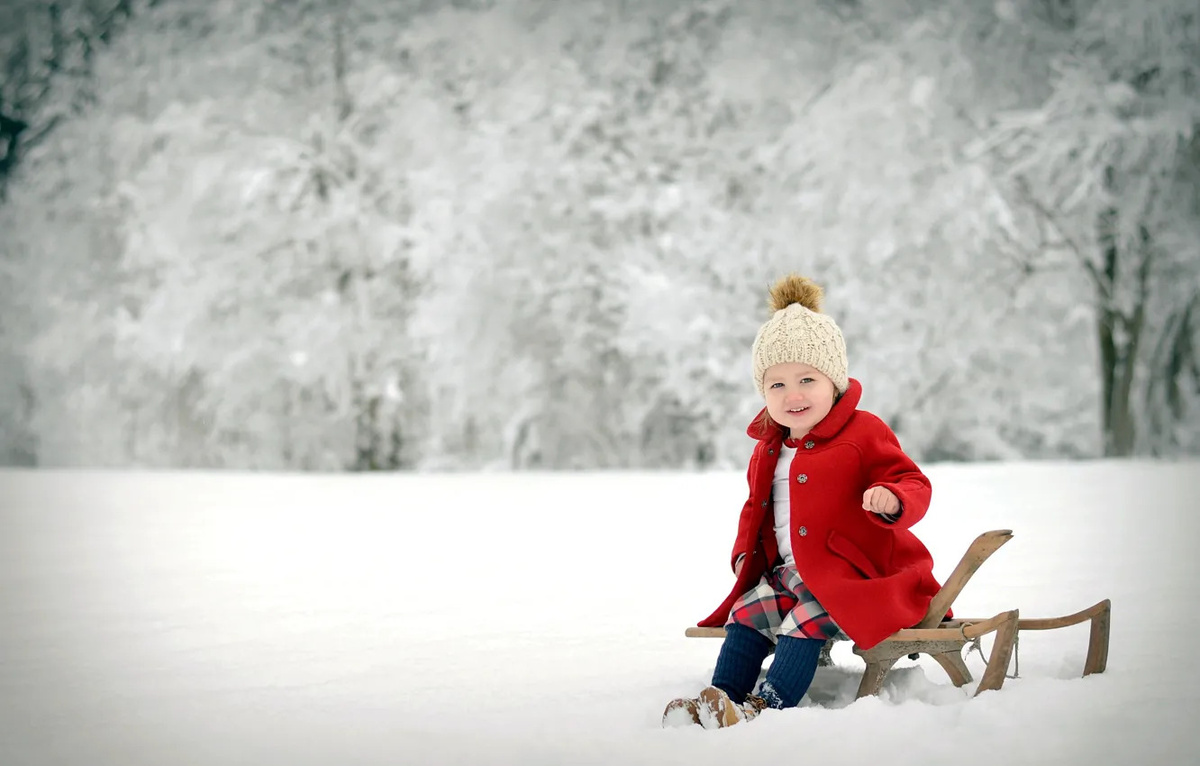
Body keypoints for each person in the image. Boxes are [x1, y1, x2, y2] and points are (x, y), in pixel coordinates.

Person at [663, 274, 943, 729]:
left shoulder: (863, 432)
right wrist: (743, 554)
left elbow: (911, 480)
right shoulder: (768, 449)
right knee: (748, 613)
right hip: (789, 576)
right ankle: (721, 699)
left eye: (807, 379)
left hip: (851, 579)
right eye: (776, 385)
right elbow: (755, 510)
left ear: (834, 382)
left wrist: (893, 498)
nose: (792, 395)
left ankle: (768, 705)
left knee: (805, 619)